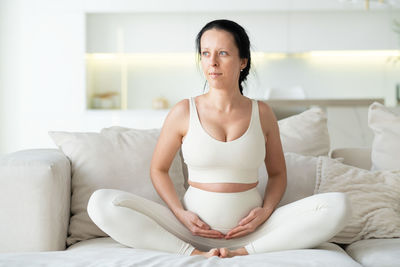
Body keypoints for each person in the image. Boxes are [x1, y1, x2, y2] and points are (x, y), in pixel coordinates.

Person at [87, 19, 351, 258]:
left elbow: (278, 174)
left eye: (223, 53)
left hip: (254, 231)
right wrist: (181, 213)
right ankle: (192, 253)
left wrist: (266, 212)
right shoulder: (183, 111)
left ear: (243, 61)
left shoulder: (263, 113)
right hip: (189, 230)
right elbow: (158, 169)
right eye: (205, 53)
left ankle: (245, 252)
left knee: (338, 206)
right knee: (101, 203)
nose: (212, 62)